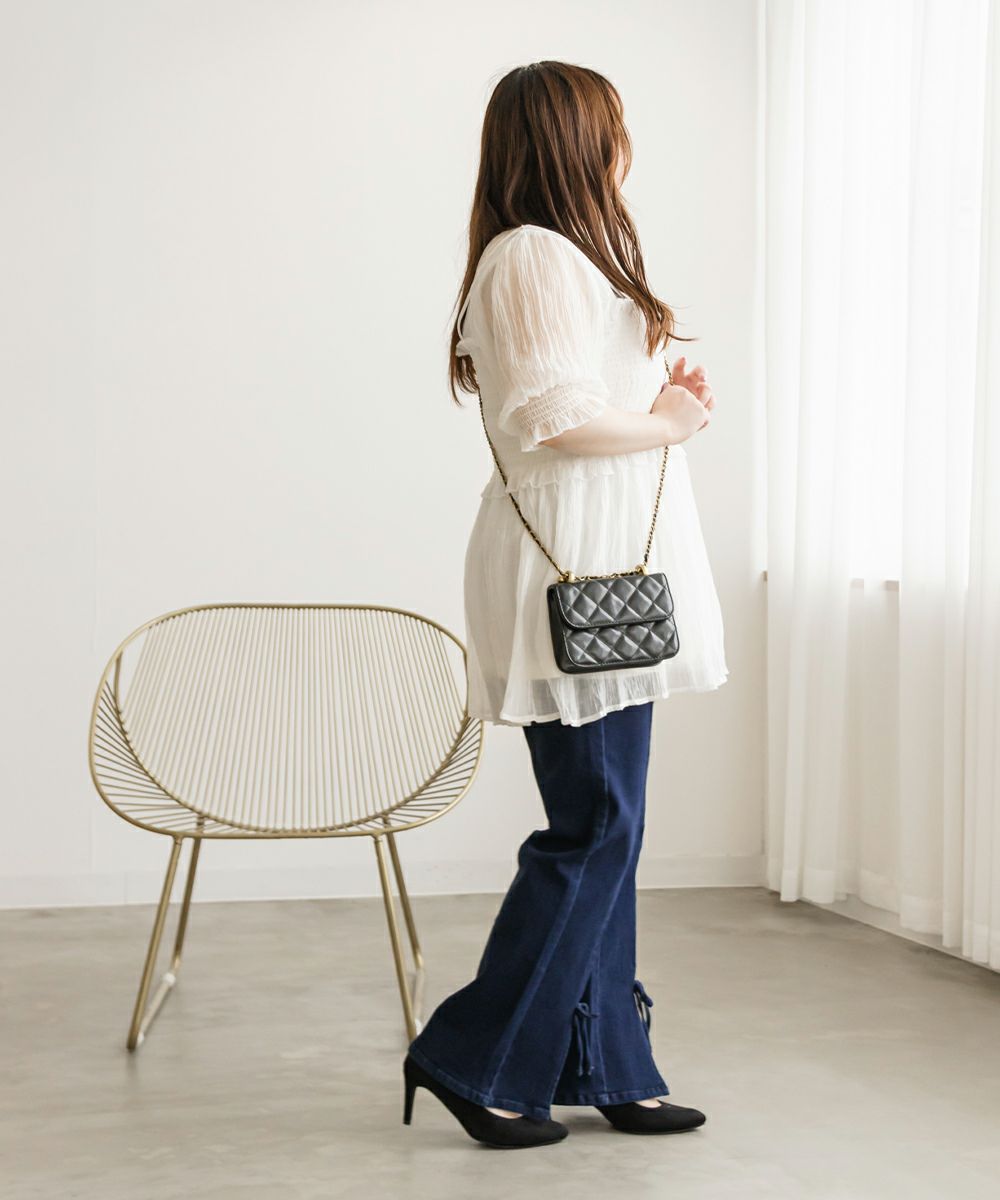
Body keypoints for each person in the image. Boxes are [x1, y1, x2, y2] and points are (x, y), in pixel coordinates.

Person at [403, 61, 728, 1149]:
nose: (625, 145)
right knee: (596, 823)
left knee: (610, 827)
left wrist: (663, 399)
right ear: (579, 138)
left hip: (610, 572)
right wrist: (670, 423)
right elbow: (554, 419)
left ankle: (607, 1065)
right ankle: (473, 1057)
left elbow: (588, 400)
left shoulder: (569, 254)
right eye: (613, 126)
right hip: (573, 573)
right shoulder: (533, 253)